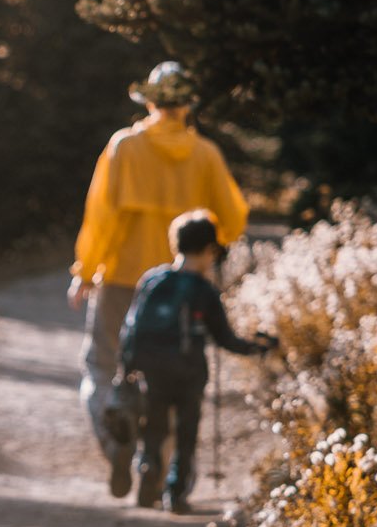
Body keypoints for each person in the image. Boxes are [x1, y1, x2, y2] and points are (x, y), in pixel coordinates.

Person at [70, 62, 248, 490]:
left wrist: (87, 270)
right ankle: (156, 466)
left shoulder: (124, 147)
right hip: (184, 284)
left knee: (103, 366)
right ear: (188, 106)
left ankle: (118, 442)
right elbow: (234, 219)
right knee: (172, 375)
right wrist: (208, 250)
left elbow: (102, 217)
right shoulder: (206, 154)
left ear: (149, 101)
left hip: (122, 278)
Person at [105, 210, 273, 510]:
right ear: (209, 249)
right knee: (186, 432)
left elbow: (130, 326)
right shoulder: (204, 291)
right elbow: (225, 339)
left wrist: (126, 366)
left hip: (151, 368)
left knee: (155, 427)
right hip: (188, 371)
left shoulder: (152, 279)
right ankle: (176, 493)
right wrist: (259, 347)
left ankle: (147, 473)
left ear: (176, 244)